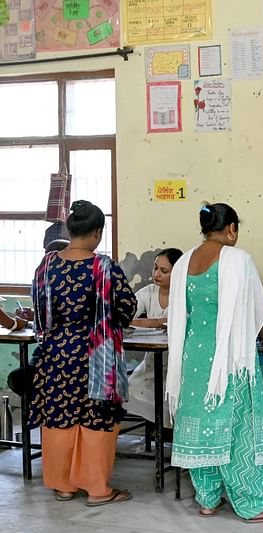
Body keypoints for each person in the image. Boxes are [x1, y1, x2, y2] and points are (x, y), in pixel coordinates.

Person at [165, 203, 263, 522]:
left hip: (192, 356)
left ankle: (208, 498)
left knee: (202, 426)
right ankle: (252, 503)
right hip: (229, 359)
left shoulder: (184, 262)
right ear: (232, 229)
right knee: (239, 429)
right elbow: (257, 309)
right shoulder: (238, 260)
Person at [29, 200, 137, 505]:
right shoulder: (103, 267)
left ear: (69, 229)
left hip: (56, 353)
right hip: (96, 355)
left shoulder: (46, 265)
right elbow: (127, 307)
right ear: (97, 233)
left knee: (59, 415)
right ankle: (97, 489)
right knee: (97, 418)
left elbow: (38, 308)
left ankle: (62, 484)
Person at [124, 248, 183, 426]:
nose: (157, 274)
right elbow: (128, 313)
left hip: (176, 367)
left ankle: (169, 435)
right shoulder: (148, 292)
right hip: (150, 365)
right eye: (155, 268)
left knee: (173, 400)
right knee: (130, 389)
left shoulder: (184, 295)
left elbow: (169, 323)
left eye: (164, 271)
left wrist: (153, 322)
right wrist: (155, 321)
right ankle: (156, 434)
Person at [7, 238, 70, 396]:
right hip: (53, 356)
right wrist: (33, 317)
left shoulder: (61, 285)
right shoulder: (44, 284)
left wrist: (18, 323)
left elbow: (59, 320)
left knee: (19, 379)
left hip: (59, 359)